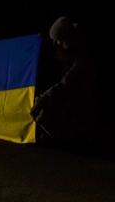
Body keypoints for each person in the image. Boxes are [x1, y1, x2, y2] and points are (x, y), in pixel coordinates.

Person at [31, 16, 99, 148]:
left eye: (61, 42)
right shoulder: (69, 53)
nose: (59, 45)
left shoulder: (84, 56)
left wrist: (45, 98)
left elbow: (67, 83)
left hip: (87, 102)